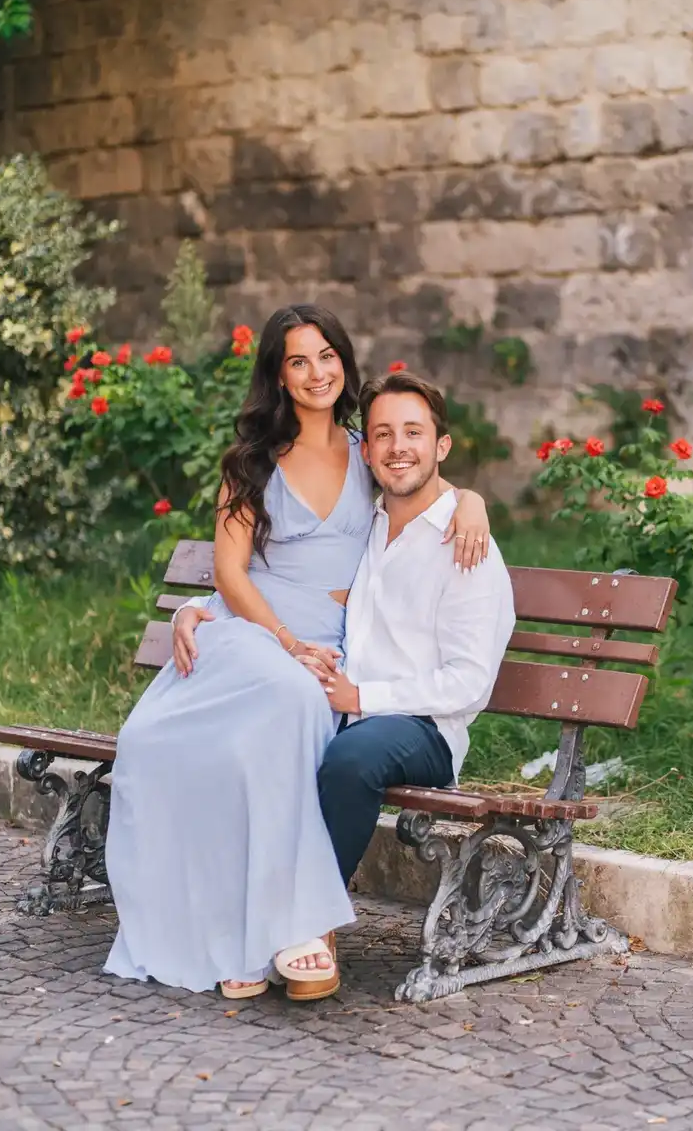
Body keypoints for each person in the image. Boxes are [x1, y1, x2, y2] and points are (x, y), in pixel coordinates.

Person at [104, 304, 491, 1004]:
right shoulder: (252, 462)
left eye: (327, 356)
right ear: (278, 377)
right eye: (298, 360)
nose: (316, 372)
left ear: (345, 362)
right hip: (262, 632)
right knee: (159, 738)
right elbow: (229, 572)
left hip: (336, 652)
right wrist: (266, 635)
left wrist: (473, 500)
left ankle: (264, 932)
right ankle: (222, 927)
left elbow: (422, 475)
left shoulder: (367, 451)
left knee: (277, 734)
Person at [311, 371, 516, 887]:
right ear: (366, 451)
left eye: (413, 432)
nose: (397, 447)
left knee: (351, 758)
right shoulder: (363, 524)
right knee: (262, 735)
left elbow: (469, 682)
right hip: (346, 711)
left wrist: (361, 696)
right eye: (382, 434)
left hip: (423, 728)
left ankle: (308, 924)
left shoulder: (466, 546)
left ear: (441, 445)